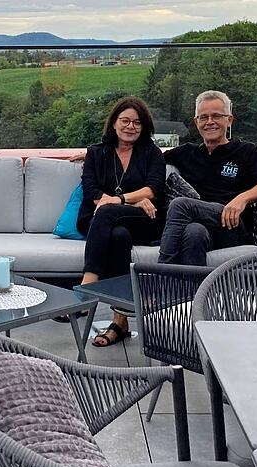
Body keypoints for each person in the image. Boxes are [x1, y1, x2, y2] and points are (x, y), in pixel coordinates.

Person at [75, 96, 166, 347]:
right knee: (118, 236)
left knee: (107, 212)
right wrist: (126, 202)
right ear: (113, 123)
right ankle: (119, 322)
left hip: (143, 220)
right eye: (125, 120)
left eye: (137, 122)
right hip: (101, 220)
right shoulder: (97, 153)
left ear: (144, 126)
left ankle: (86, 289)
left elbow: (154, 188)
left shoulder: (151, 153)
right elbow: (91, 189)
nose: (130, 126)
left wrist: (119, 201)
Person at [158, 90, 257, 265]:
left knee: (180, 204)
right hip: (202, 228)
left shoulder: (246, 151)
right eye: (203, 117)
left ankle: (160, 272)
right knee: (194, 232)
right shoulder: (186, 153)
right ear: (196, 122)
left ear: (229, 120)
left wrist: (242, 198)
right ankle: (193, 291)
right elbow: (150, 162)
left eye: (216, 116)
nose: (210, 122)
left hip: (232, 225)